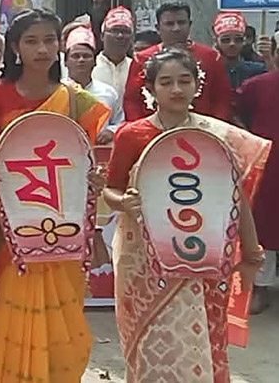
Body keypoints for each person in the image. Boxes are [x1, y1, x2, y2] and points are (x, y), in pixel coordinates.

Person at [104, 48, 270, 382]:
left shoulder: (219, 135)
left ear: (197, 84)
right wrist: (125, 202)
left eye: (184, 80)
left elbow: (235, 198)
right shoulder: (131, 135)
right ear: (150, 88)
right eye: (166, 82)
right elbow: (111, 190)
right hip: (144, 261)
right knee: (150, 341)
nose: (176, 89)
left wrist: (251, 250)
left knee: (201, 340)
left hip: (204, 256)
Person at [0, 10, 110, 383]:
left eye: (49, 40)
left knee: (64, 326)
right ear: (15, 48)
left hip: (63, 225)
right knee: (12, 313)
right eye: (31, 41)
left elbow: (82, 161)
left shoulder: (77, 101)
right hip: (11, 230)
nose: (42, 49)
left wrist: (94, 180)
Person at [124, 2, 231, 121]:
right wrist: (141, 128)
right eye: (169, 24)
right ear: (158, 28)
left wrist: (214, 128)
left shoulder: (211, 57)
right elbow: (132, 100)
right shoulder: (141, 59)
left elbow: (222, 99)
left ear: (190, 24)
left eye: (181, 23)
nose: (176, 28)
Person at [235, 31, 279, 314]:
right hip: (270, 166)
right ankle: (260, 286)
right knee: (265, 225)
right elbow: (235, 114)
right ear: (272, 54)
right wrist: (251, 142)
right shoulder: (256, 86)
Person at [64, 25, 123, 143]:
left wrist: (111, 131)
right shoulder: (58, 91)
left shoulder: (108, 92)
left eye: (86, 56)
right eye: (75, 56)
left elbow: (119, 121)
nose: (81, 60)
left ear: (95, 61)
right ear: (66, 62)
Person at [214, 11, 266, 91]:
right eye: (226, 40)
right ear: (216, 41)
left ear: (244, 40)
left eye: (238, 39)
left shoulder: (258, 71)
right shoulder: (207, 71)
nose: (232, 44)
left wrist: (269, 57)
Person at [92, 6, 135, 96]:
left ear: (131, 38)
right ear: (102, 36)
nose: (120, 36)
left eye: (125, 31)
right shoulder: (90, 66)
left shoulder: (136, 68)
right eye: (114, 30)